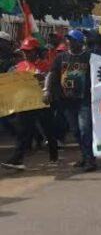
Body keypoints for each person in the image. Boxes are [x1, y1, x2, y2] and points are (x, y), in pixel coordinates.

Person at [1, 37, 58, 170]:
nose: (26, 54)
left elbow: (52, 80)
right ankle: (17, 159)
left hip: (42, 103)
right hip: (25, 104)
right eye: (24, 51)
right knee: (22, 131)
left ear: (36, 51)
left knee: (48, 130)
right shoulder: (18, 67)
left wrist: (43, 78)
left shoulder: (45, 65)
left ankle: (53, 155)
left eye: (29, 51)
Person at [44, 30, 97, 172]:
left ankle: (90, 159)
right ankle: (85, 155)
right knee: (75, 131)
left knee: (85, 129)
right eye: (68, 39)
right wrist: (47, 90)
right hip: (66, 101)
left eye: (73, 40)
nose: (69, 42)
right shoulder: (60, 57)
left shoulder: (90, 57)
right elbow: (52, 74)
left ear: (80, 43)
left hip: (84, 100)